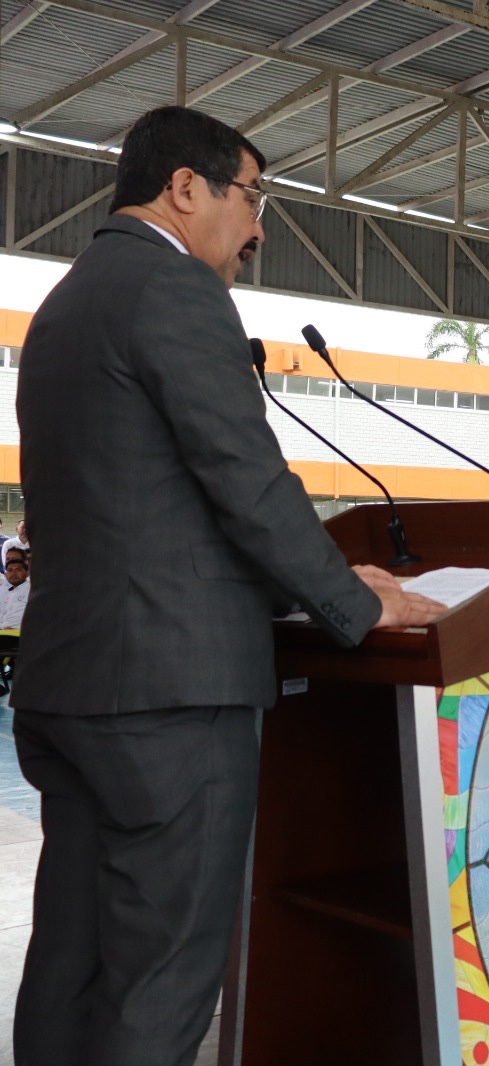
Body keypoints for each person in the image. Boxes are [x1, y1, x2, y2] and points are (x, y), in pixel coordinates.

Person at [9, 106, 446, 1066]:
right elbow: (245, 481)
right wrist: (358, 600)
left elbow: (148, 511)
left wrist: (312, 583)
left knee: (72, 960)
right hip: (171, 697)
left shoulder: (64, 306)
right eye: (253, 199)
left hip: (70, 685)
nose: (257, 229)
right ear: (184, 188)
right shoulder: (176, 289)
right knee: (161, 977)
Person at [0, 554, 30, 631]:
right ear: (6, 574)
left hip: (20, 634)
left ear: (27, 572)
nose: (13, 573)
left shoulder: (31, 588)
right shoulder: (7, 593)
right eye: (10, 570)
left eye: (18, 570)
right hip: (4, 632)